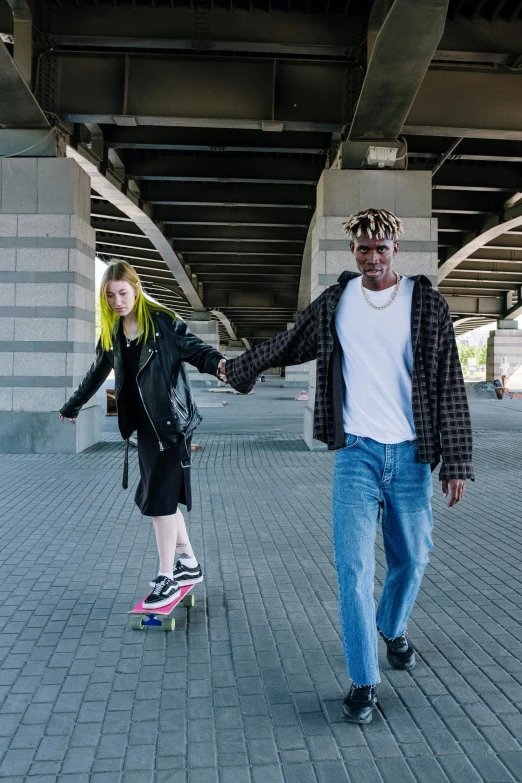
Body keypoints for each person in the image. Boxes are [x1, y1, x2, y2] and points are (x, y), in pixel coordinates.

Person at [221, 208, 474, 723]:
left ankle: (391, 624)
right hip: (355, 453)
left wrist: (457, 460)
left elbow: (450, 381)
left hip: (411, 455)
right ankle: (363, 681)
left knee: (414, 557)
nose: (372, 257)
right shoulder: (337, 302)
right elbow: (289, 342)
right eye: (363, 248)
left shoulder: (424, 303)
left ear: (396, 249)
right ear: (353, 251)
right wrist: (238, 368)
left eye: (381, 248)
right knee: (353, 568)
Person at [60, 261, 228, 609]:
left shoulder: (163, 323)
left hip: (169, 425)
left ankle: (167, 576)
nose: (117, 301)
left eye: (123, 293)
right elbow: (96, 374)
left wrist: (225, 368)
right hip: (144, 429)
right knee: (158, 499)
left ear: (136, 289)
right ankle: (190, 565)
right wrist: (73, 406)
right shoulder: (113, 334)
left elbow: (198, 350)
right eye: (110, 296)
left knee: (159, 503)